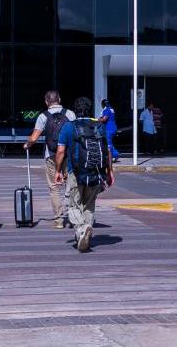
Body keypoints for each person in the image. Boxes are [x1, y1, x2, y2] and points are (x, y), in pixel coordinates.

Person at [55, 97, 114, 252]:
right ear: (90, 110)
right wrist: (109, 172)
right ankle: (85, 238)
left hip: (76, 172)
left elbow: (61, 151)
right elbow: (107, 150)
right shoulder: (99, 126)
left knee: (72, 205)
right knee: (89, 205)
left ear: (75, 111)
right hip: (96, 172)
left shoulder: (69, 127)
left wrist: (57, 171)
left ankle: (82, 228)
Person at [23, 91, 76, 228]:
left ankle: (58, 220)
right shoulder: (70, 114)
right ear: (59, 99)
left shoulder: (43, 116)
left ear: (46, 102)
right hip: (69, 155)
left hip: (51, 155)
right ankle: (73, 216)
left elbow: (34, 138)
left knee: (54, 188)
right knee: (70, 186)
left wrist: (27, 144)